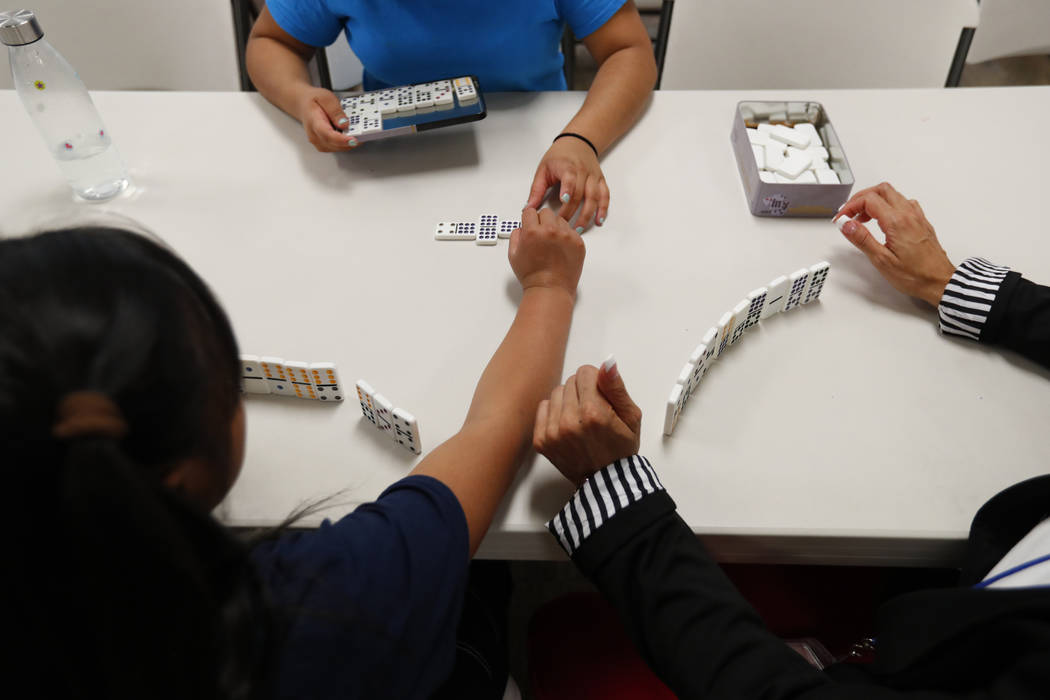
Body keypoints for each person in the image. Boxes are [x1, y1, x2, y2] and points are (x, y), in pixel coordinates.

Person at [3, 207, 584, 699]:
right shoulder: (338, 596)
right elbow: (499, 428)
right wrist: (550, 286)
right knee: (478, 581)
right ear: (181, 477)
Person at [529, 182, 1050, 698]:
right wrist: (954, 286)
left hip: (900, 653)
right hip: (969, 598)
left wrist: (617, 501)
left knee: (564, 636)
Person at [245, 1, 658, 232]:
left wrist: (581, 139)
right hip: (383, 169)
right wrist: (300, 97)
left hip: (540, 154)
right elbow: (270, 42)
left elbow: (630, 52)